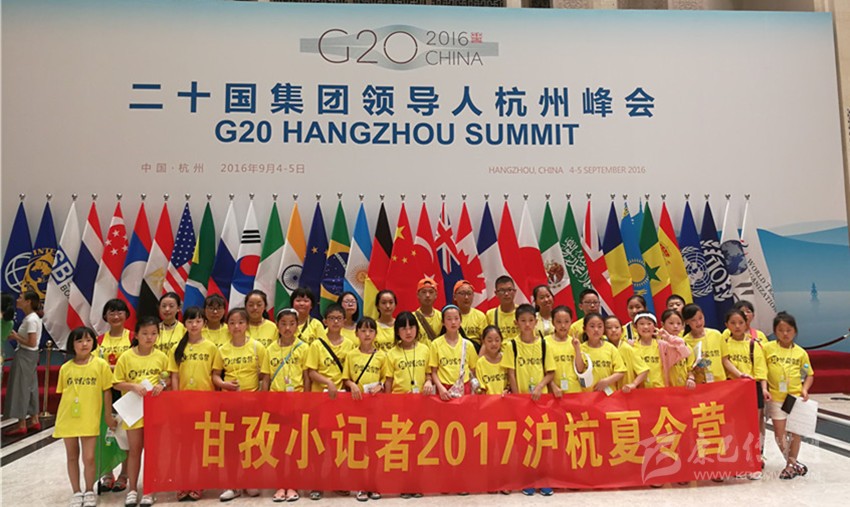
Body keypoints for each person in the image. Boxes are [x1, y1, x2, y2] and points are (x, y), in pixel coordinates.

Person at [53, 326, 116, 507]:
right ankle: (76, 491)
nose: (84, 344)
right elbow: (63, 394)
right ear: (72, 344)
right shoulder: (65, 368)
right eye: (79, 341)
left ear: (94, 343)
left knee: (89, 457)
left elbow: (107, 391)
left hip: (90, 417)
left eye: (88, 340)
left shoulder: (101, 365)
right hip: (68, 418)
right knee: (72, 456)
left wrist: (107, 415)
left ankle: (89, 490)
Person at [112, 316, 169, 506]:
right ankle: (132, 489)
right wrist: (133, 386)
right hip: (133, 412)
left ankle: (149, 490)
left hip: (154, 411)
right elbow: (116, 382)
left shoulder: (161, 357)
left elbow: (167, 378)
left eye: (153, 334)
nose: (149, 337)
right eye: (145, 333)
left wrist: (162, 385)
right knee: (134, 450)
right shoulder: (126, 357)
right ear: (136, 335)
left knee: (152, 451)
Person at [168, 306, 222, 502]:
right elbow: (174, 376)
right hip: (183, 405)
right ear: (185, 324)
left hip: (205, 404)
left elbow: (215, 376)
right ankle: (183, 484)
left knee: (201, 447)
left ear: (204, 324)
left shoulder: (211, 348)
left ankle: (199, 483)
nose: (194, 325)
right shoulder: (177, 348)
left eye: (198, 321)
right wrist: (176, 399)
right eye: (190, 321)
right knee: (185, 447)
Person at [214, 307, 265, 501]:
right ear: (227, 326)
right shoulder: (222, 350)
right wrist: (224, 385)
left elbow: (265, 375)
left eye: (241, 322)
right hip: (230, 405)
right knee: (231, 445)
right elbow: (215, 376)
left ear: (247, 325)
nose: (236, 326)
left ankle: (250, 480)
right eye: (232, 323)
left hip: (252, 405)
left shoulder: (257, 347)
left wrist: (261, 397)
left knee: (251, 444)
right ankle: (232, 484)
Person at [262, 308, 309, 502]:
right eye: (283, 324)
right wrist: (264, 403)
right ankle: (280, 484)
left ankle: (293, 485)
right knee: (279, 446)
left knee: (295, 446)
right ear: (277, 326)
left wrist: (306, 402)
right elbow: (266, 379)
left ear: (297, 325)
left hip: (296, 403)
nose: (287, 328)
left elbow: (307, 377)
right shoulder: (270, 349)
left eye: (291, 323)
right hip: (276, 404)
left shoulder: (303, 347)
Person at [764, 312, 814, 480]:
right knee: (779, 434)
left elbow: (809, 374)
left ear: (795, 331)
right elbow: (762, 371)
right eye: (780, 330)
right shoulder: (768, 348)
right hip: (776, 398)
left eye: (789, 330)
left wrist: (805, 389)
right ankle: (792, 462)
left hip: (795, 398)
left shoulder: (801, 353)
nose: (785, 334)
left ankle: (790, 465)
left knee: (795, 433)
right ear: (775, 332)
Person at [724, 308, 769, 477]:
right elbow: (723, 363)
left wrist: (763, 389)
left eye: (740, 323)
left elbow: (761, 369)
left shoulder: (753, 344)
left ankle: (754, 461)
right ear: (726, 325)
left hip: (752, 388)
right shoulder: (725, 344)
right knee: (736, 426)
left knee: (753, 426)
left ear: (746, 324)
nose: (737, 326)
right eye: (733, 323)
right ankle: (740, 460)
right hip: (732, 389)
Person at [3, 291, 42, 436]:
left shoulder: (31, 320)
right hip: (31, 356)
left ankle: (21, 424)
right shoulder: (33, 318)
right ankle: (34, 419)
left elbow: (31, 343)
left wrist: (16, 337)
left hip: (25, 355)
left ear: (28, 302)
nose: (18, 300)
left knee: (21, 388)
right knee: (31, 387)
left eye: (21, 298)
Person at [430, 305, 478, 400]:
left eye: (456, 318)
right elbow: (433, 372)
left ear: (461, 321)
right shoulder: (435, 344)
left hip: (464, 388)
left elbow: (473, 370)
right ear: (443, 322)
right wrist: (440, 388)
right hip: (443, 389)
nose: (453, 322)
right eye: (449, 319)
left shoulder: (468, 345)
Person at [682, 304, 734, 384]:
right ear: (687, 322)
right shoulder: (685, 341)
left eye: (700, 318)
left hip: (720, 383)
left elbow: (725, 361)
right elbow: (687, 368)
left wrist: (740, 374)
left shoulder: (716, 334)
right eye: (693, 320)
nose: (698, 322)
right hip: (700, 384)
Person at [385, 312, 433, 396]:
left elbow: (428, 373)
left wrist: (429, 381)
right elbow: (389, 381)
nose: (408, 332)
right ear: (397, 331)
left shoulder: (425, 350)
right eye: (404, 328)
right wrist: (388, 400)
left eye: (411, 327)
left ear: (417, 328)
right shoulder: (391, 353)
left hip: (421, 398)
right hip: (398, 398)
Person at [577, 313, 626, 393]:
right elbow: (579, 369)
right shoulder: (581, 349)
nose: (596, 329)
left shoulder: (611, 348)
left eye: (599, 326)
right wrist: (577, 349)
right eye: (592, 326)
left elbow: (621, 371)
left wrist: (606, 381)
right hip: (587, 395)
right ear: (584, 329)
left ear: (603, 329)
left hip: (609, 394)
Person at [604, 315, 648, 393]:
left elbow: (644, 370)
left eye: (617, 327)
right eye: (609, 328)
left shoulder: (627, 348)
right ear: (604, 331)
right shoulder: (603, 349)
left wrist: (634, 384)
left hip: (625, 393)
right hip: (607, 393)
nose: (613, 330)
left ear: (622, 330)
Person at [546, 306, 583, 396]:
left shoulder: (575, 342)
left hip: (574, 391)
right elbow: (542, 370)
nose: (563, 325)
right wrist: (553, 386)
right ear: (553, 322)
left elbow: (580, 369)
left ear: (571, 322)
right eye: (559, 322)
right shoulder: (545, 342)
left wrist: (577, 349)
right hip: (554, 392)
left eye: (566, 321)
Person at [660, 310, 696, 389]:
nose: (675, 326)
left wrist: (690, 379)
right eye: (671, 323)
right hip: (664, 389)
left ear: (683, 326)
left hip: (683, 388)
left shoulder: (686, 346)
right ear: (662, 324)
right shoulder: (658, 345)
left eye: (679, 323)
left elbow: (690, 369)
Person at [96, 299, 133, 368]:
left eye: (120, 313)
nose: (116, 317)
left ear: (126, 314)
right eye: (112, 314)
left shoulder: (134, 338)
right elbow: (95, 364)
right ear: (105, 316)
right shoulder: (98, 340)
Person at [474, 326, 510, 395]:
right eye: (490, 341)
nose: (494, 344)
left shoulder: (506, 359)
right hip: (487, 400)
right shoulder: (480, 363)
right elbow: (481, 388)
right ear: (483, 341)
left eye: (497, 340)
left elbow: (510, 382)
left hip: (504, 398)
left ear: (501, 341)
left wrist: (507, 390)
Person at [452, 280, 487, 351]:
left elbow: (485, 342)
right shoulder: (450, 317)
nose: (466, 297)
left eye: (469, 293)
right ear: (454, 296)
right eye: (462, 293)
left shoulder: (480, 316)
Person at [486, 276, 518, 342]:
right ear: (496, 293)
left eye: (509, 290)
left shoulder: (523, 312)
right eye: (502, 291)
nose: (506, 294)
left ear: (515, 291)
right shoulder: (490, 314)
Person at [414, 278, 442, 347]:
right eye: (424, 292)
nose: (427, 295)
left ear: (436, 295)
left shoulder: (442, 317)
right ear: (418, 295)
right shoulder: (412, 318)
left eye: (431, 292)